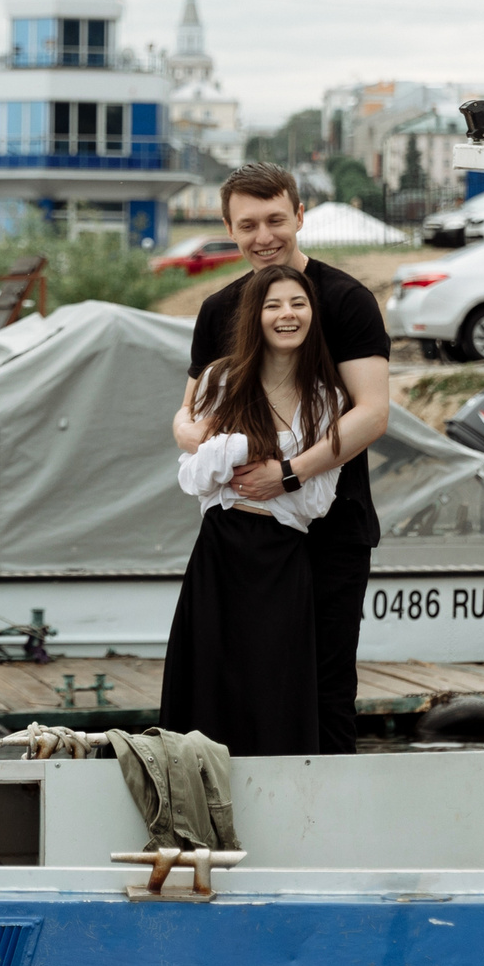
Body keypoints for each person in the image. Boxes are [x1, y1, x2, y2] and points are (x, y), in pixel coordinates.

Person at [172, 163, 392, 753]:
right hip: (244, 538)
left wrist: (287, 473)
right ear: (228, 227)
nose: (263, 236)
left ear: (300, 216)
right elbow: (186, 416)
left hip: (331, 530)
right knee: (236, 684)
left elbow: (371, 413)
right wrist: (203, 442)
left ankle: (329, 831)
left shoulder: (344, 300)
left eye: (275, 219)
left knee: (324, 688)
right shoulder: (220, 310)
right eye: (248, 225)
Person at [160, 263, 348, 755]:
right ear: (255, 317)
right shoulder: (220, 380)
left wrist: (271, 474)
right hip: (219, 552)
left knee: (274, 691)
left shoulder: (326, 399)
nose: (287, 315)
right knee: (207, 689)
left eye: (298, 304)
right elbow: (194, 478)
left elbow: (317, 500)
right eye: (273, 305)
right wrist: (243, 449)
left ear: (311, 314)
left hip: (283, 556)